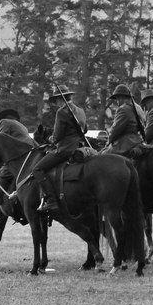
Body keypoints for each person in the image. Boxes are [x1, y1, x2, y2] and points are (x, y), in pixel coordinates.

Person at [32, 85, 88, 213]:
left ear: (59, 99)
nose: (56, 104)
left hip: (65, 149)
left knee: (37, 169)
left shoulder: (62, 112)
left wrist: (50, 139)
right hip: (79, 146)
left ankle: (51, 201)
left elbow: (57, 136)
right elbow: (85, 130)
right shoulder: (80, 110)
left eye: (56, 101)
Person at [0, 109, 33, 216]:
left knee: (4, 172)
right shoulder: (21, 125)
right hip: (30, 149)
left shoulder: (4, 122)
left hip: (20, 152)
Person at [100, 84, 144, 156]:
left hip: (126, 142)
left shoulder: (123, 109)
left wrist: (108, 142)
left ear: (121, 97)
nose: (117, 102)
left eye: (117, 99)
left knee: (102, 156)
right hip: (137, 140)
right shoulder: (138, 108)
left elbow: (115, 129)